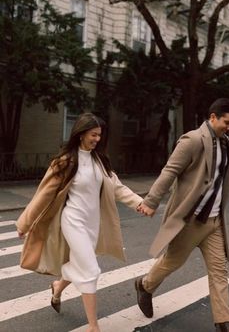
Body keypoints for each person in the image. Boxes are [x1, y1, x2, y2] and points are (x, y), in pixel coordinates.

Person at [16, 113, 144, 332]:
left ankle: (57, 287)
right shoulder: (66, 161)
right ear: (81, 133)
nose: (97, 139)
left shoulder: (99, 161)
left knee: (80, 264)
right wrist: (24, 224)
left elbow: (117, 188)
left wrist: (140, 203)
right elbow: (44, 195)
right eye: (93, 135)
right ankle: (93, 327)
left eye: (99, 136)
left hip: (92, 224)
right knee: (91, 270)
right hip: (73, 222)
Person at [135, 98, 229, 332]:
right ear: (213, 117)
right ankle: (145, 285)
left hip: (214, 221)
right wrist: (151, 200)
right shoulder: (192, 140)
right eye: (227, 122)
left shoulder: (226, 144)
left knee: (219, 271)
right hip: (190, 220)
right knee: (172, 262)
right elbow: (170, 170)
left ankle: (224, 321)